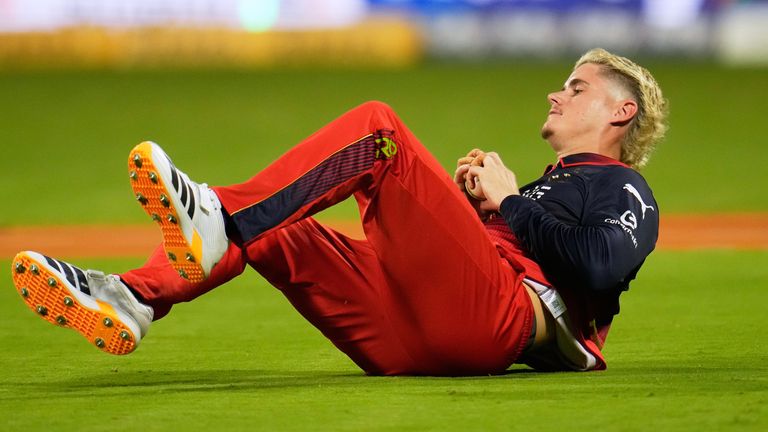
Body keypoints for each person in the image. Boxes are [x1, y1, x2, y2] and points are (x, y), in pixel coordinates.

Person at [11, 48, 666, 375]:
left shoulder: (624, 188)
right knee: (278, 232)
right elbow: (535, 248)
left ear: (620, 111)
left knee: (378, 131)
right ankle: (132, 297)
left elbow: (600, 268)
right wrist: (478, 211)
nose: (556, 94)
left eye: (576, 88)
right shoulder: (558, 185)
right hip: (417, 334)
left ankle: (217, 221)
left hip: (493, 324)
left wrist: (511, 201)